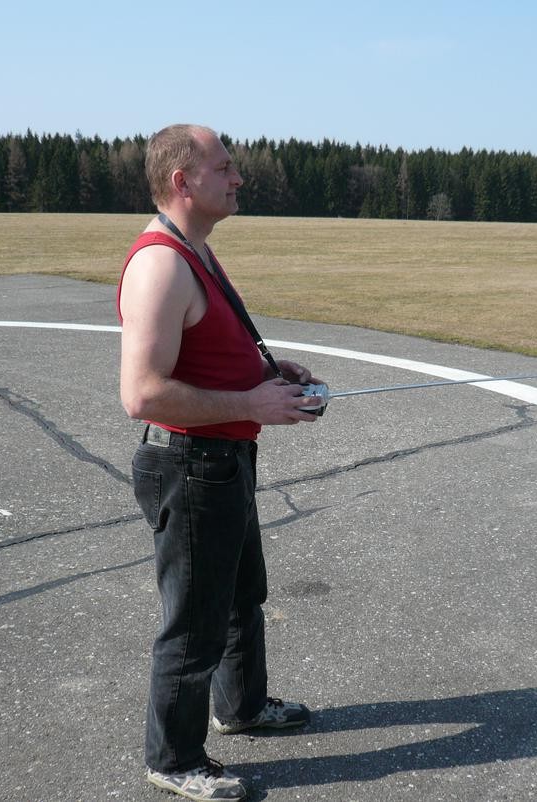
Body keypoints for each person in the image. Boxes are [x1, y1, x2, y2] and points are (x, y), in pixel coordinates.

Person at [118, 124, 323, 801]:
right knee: (194, 622)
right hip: (191, 464)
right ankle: (173, 758)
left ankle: (241, 706)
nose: (238, 178)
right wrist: (252, 402)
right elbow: (142, 394)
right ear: (183, 181)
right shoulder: (161, 265)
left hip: (222, 459)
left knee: (239, 596)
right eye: (225, 168)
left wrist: (267, 373)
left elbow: (204, 351)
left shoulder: (195, 251)